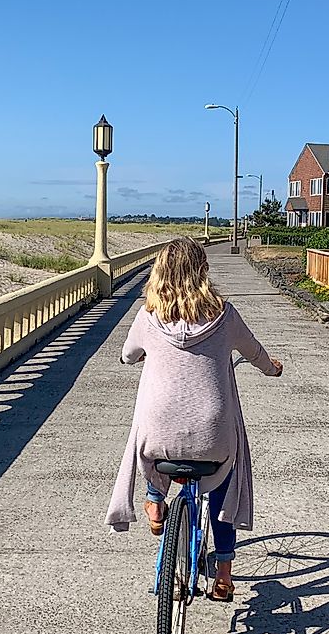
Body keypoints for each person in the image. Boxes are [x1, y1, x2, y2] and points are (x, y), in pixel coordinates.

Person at [106, 237, 282, 602]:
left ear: (160, 274)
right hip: (212, 434)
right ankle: (223, 577)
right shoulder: (225, 315)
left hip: (159, 433)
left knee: (152, 444)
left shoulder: (146, 318)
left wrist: (139, 357)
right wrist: (272, 369)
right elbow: (257, 355)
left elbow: (127, 355)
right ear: (203, 271)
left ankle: (155, 500)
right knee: (222, 488)